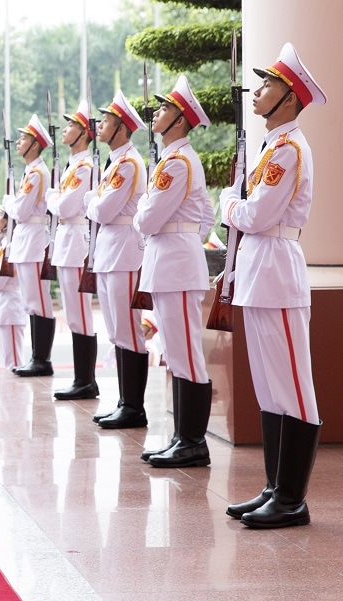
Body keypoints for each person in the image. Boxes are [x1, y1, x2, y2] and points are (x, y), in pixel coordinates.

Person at [222, 43, 326, 529]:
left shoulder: (288, 149)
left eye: (267, 85)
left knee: (294, 388)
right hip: (260, 270)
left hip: (277, 270)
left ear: (289, 97)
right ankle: (273, 488)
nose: (257, 92)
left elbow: (258, 215)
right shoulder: (272, 147)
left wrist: (228, 203)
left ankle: (292, 500)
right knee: (269, 387)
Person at [134, 75, 214, 468]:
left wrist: (178, 235)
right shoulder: (175, 159)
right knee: (177, 354)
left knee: (186, 356)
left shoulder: (179, 162)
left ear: (180, 120)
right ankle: (183, 437)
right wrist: (186, 235)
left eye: (164, 108)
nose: (157, 112)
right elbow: (207, 214)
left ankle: (193, 442)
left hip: (177, 266)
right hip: (172, 261)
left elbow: (147, 219)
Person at [85, 90, 148, 430]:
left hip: (124, 253)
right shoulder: (116, 163)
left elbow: (103, 209)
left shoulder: (128, 164)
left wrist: (91, 201)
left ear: (122, 128)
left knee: (128, 330)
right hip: (111, 253)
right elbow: (98, 207)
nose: (100, 125)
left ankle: (134, 407)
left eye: (107, 121)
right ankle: (125, 402)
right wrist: (94, 202)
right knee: (116, 331)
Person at [49, 100, 98, 400]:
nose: (64, 130)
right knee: (73, 314)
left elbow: (64, 206)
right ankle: (81, 378)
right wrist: (56, 200)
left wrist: (55, 199)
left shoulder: (84, 167)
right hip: (67, 241)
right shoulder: (72, 167)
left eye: (70, 126)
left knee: (80, 314)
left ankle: (86, 380)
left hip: (77, 240)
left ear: (83, 133)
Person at [6, 114, 56, 377]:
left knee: (38, 302)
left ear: (35, 144)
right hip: (27, 241)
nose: (18, 142)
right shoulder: (31, 171)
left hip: (34, 241)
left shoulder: (37, 173)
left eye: (23, 138)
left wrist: (8, 203)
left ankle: (42, 359)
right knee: (31, 301)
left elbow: (21, 210)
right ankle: (37, 357)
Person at [0, 212, 28, 369]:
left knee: (14, 364)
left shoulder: (11, 246)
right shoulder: (6, 244)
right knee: (10, 360)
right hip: (5, 306)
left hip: (10, 305)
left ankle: (15, 393)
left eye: (1, 215)